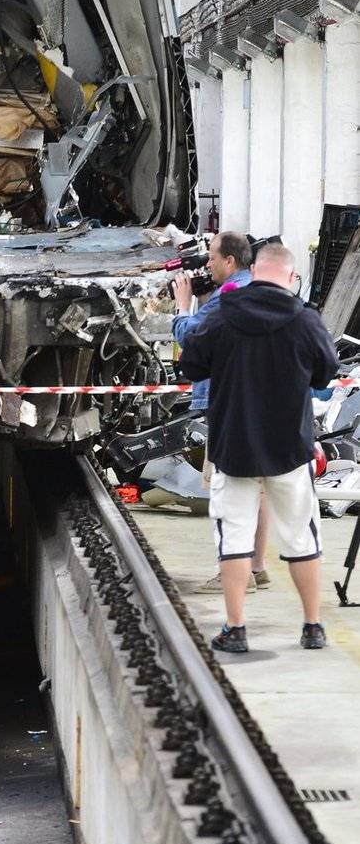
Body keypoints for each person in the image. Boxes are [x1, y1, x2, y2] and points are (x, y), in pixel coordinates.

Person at [178, 243, 339, 653]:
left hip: (234, 446)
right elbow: (325, 373)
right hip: (290, 449)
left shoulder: (224, 313)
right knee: (302, 537)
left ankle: (235, 629)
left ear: (255, 270)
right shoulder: (305, 320)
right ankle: (312, 626)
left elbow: (192, 364)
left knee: (233, 538)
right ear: (288, 276)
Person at [172, 230, 270, 590]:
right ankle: (257, 567)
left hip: (229, 404)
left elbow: (193, 339)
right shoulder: (255, 290)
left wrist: (183, 306)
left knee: (229, 489)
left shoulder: (228, 298)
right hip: (255, 400)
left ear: (230, 261)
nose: (207, 263)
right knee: (255, 487)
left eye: (212, 257)